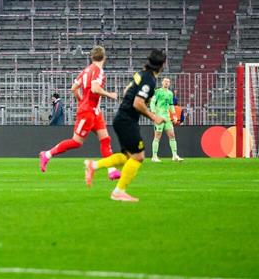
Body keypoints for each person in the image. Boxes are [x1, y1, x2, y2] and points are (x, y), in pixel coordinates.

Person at [85, 50, 168, 202]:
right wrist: (154, 117)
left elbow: (126, 91)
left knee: (127, 156)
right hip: (127, 120)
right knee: (139, 156)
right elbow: (138, 103)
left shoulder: (141, 74)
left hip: (122, 118)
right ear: (162, 65)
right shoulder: (149, 79)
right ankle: (119, 191)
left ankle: (93, 165)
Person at [39, 46, 120, 180]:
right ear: (104, 58)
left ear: (91, 57)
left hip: (95, 112)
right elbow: (95, 88)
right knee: (76, 142)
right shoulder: (98, 71)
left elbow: (73, 88)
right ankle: (47, 154)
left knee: (105, 139)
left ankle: (112, 171)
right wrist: (110, 95)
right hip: (87, 112)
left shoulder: (85, 71)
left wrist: (81, 100)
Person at [150, 77, 183, 162]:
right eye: (165, 81)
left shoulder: (170, 93)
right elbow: (152, 102)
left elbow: (171, 105)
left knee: (172, 135)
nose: (166, 83)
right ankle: (154, 156)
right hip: (159, 116)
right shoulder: (157, 92)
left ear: (170, 83)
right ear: (162, 82)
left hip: (167, 117)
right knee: (157, 136)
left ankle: (175, 156)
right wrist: (153, 112)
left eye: (168, 82)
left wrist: (174, 115)